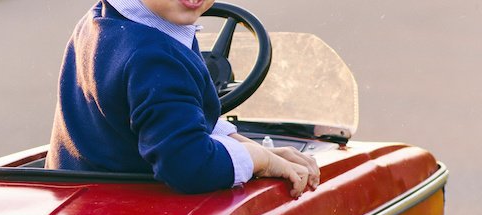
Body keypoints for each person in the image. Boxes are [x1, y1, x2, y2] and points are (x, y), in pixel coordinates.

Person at [47, 0, 319, 198]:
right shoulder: (155, 58)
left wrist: (258, 148)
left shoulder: (106, 19)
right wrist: (262, 160)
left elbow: (183, 117)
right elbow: (189, 166)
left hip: (72, 198)